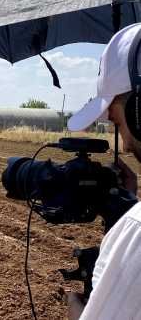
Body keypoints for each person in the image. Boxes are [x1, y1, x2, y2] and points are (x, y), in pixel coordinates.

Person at [66, 23, 141, 319]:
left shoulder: (138, 232)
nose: (123, 146)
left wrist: (76, 315)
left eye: (118, 122)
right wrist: (129, 203)